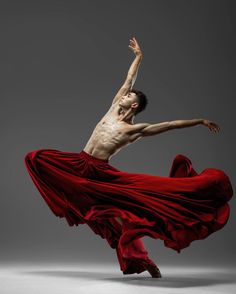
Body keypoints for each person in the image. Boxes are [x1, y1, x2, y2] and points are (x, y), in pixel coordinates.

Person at [24, 37, 233, 278]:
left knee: (119, 217)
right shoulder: (113, 108)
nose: (124, 96)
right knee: (35, 158)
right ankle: (70, 206)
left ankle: (141, 259)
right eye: (125, 95)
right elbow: (129, 79)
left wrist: (199, 121)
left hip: (100, 173)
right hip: (78, 162)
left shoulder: (133, 130)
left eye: (128, 97)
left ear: (134, 106)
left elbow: (170, 125)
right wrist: (138, 57)